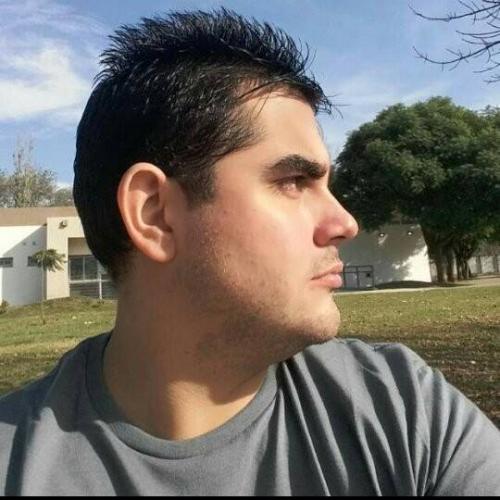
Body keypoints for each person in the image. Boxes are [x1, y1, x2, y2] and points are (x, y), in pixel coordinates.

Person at [0, 8, 499, 496]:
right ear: (155, 214)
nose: (345, 224)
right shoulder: (13, 465)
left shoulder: (402, 409)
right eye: (293, 181)